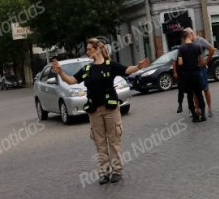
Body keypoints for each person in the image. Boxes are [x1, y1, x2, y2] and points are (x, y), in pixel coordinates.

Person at [52, 38, 150, 185]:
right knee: (100, 143)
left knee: (114, 141)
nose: (87, 51)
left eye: (89, 49)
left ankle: (116, 171)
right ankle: (104, 173)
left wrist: (138, 66)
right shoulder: (87, 69)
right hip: (94, 111)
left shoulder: (110, 65)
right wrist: (60, 72)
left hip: (110, 109)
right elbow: (72, 81)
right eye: (87, 49)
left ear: (97, 49)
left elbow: (126, 70)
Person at [184, 27, 215, 117]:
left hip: (201, 69)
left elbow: (212, 49)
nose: (187, 38)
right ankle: (197, 109)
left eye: (188, 35)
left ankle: (209, 108)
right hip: (192, 69)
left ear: (192, 33)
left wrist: (206, 61)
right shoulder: (188, 43)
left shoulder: (201, 40)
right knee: (194, 90)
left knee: (205, 88)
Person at [178, 30, 207, 122]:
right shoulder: (197, 46)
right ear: (189, 35)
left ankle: (195, 116)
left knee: (190, 96)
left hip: (187, 75)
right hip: (196, 73)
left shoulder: (181, 48)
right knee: (199, 94)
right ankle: (203, 114)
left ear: (183, 38)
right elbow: (201, 61)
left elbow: (180, 62)